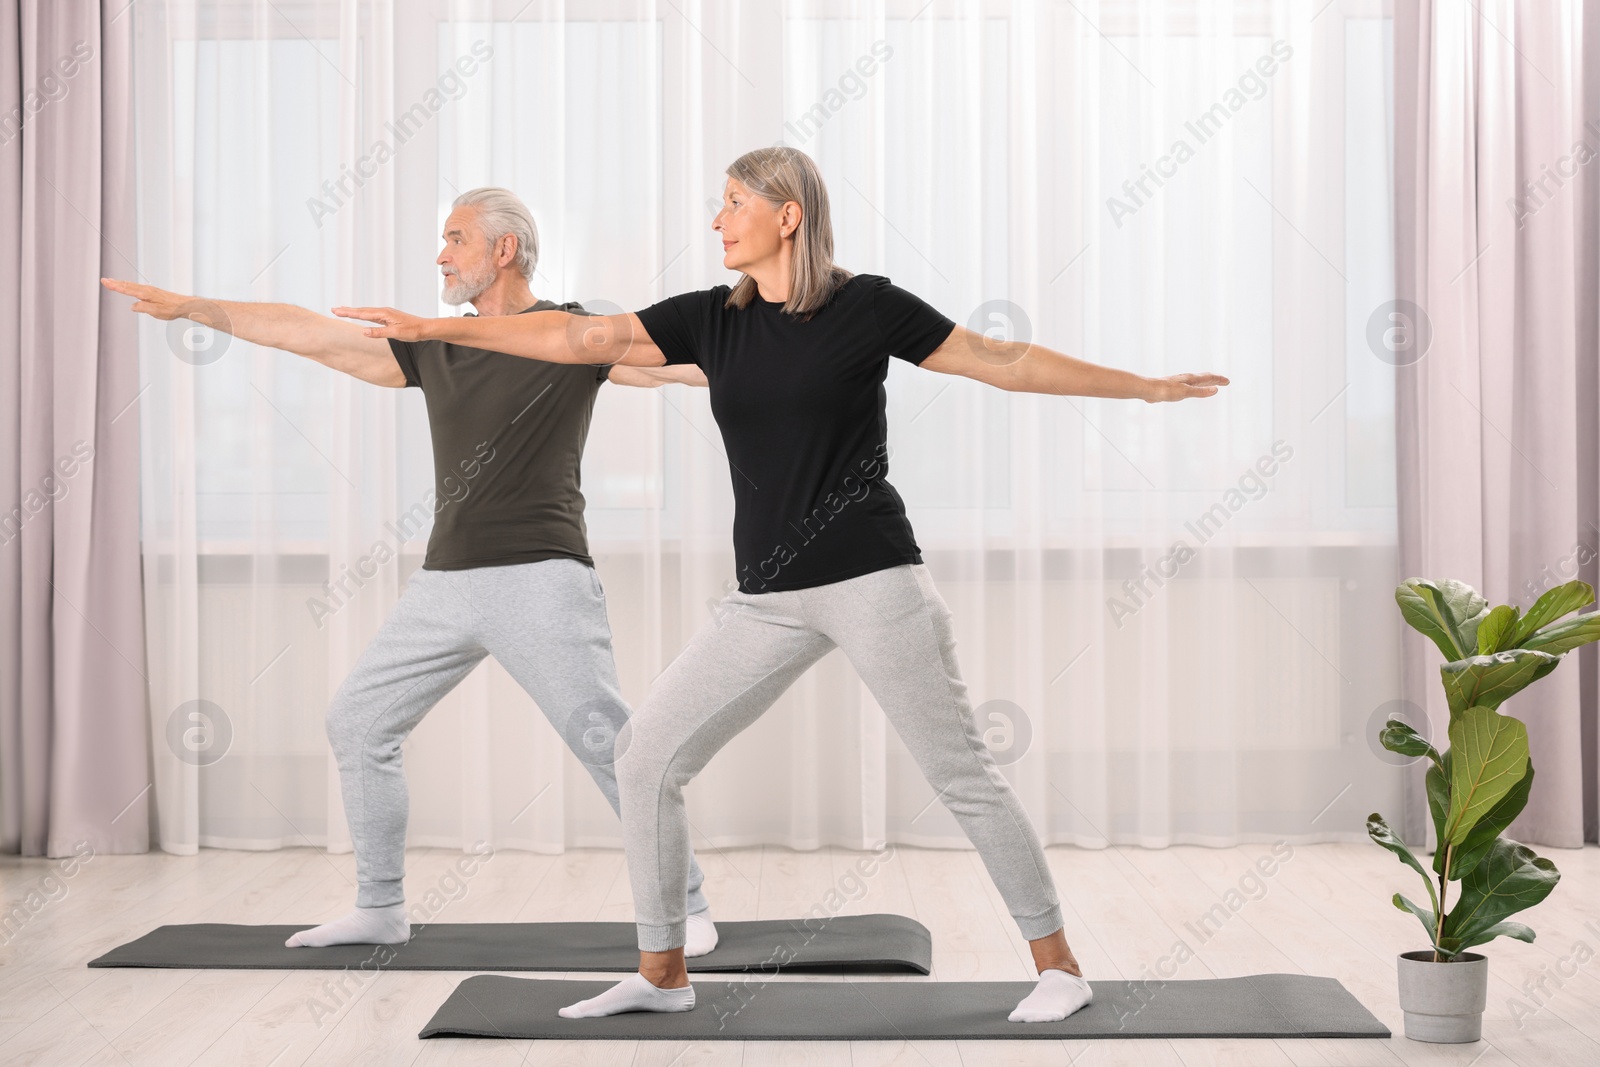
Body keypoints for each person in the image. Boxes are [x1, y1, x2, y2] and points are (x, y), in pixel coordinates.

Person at [333, 148, 1228, 1022]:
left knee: (960, 773)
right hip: (762, 598)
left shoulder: (867, 307)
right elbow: (580, 335)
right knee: (645, 755)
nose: (715, 219)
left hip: (873, 579)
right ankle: (663, 970)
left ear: (786, 215)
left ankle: (1059, 965)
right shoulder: (712, 319)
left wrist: (1143, 391)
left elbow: (1001, 359)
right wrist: (439, 326)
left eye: (732, 202)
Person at [101, 187, 723, 955]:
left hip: (542, 579)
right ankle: (380, 906)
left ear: (503, 249)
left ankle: (687, 904)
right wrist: (196, 306)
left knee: (611, 745)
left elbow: (685, 367)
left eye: (455, 239)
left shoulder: (569, 336)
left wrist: (785, 355)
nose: (441, 255)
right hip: (445, 581)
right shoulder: (436, 344)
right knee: (359, 720)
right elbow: (310, 334)